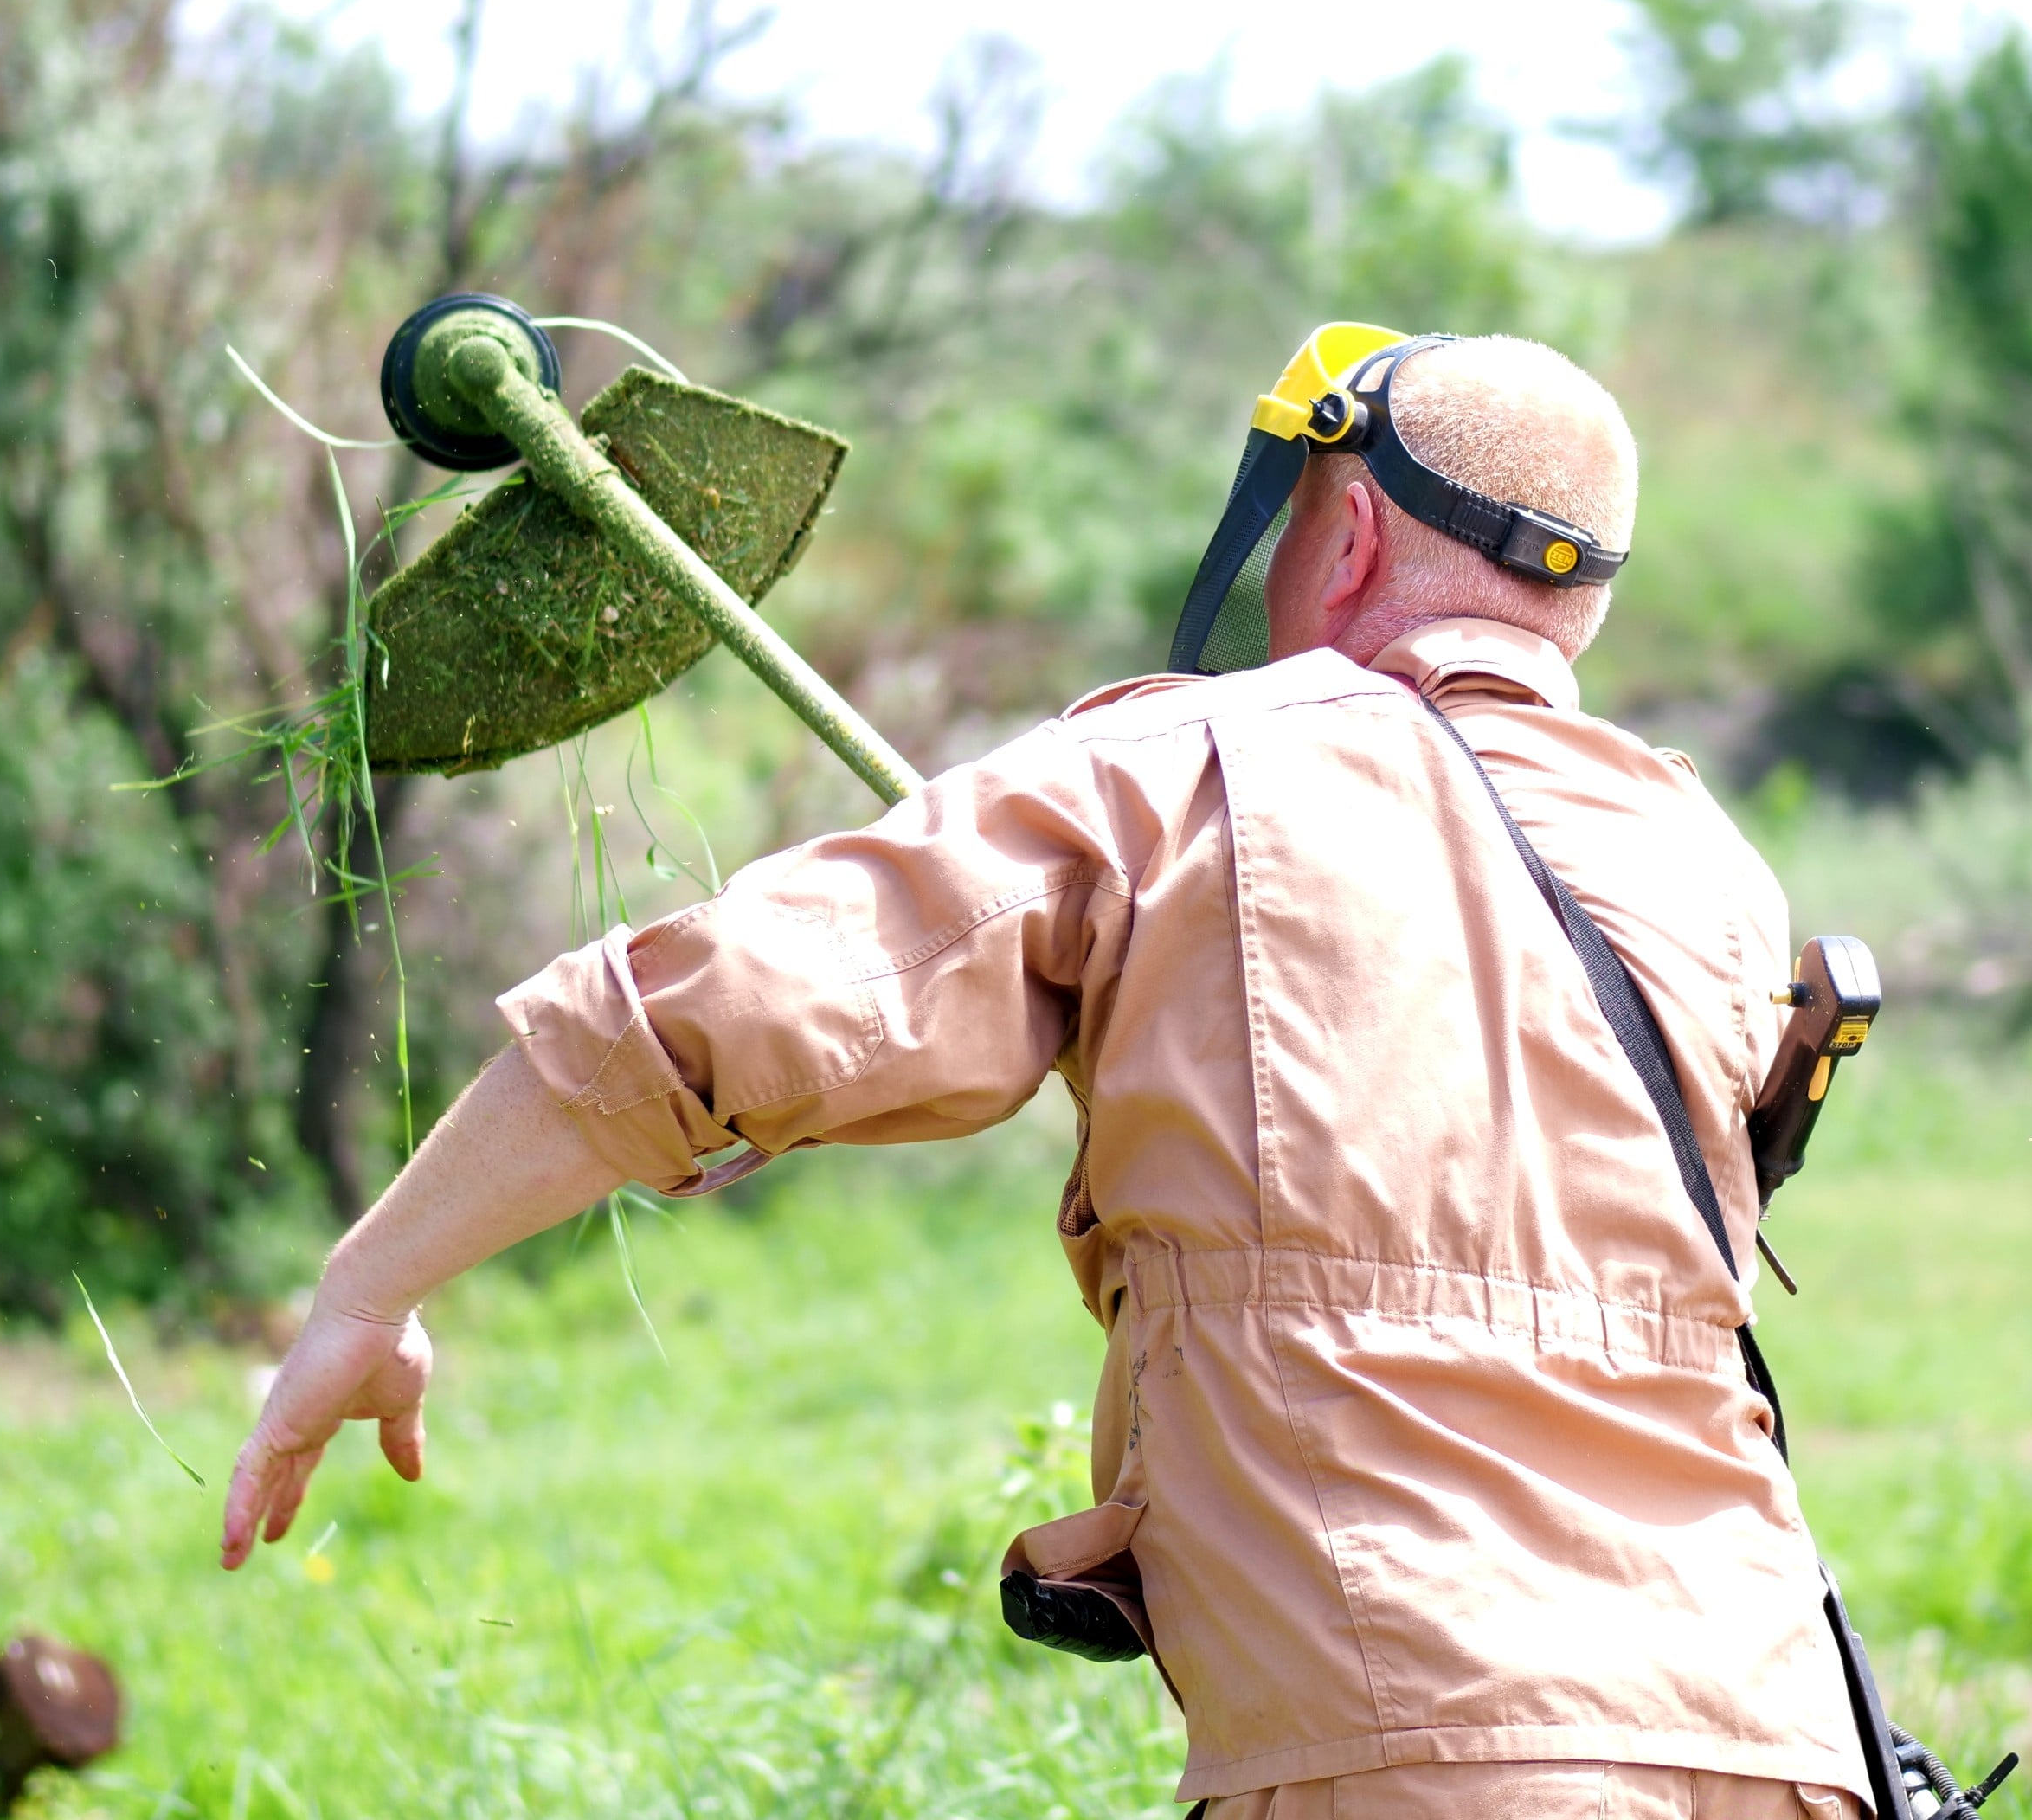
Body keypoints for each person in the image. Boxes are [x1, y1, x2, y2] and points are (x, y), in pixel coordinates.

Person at [222, 331, 1869, 1819]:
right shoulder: (1707, 862)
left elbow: (698, 1018)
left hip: (1410, 1745)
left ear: (1350, 534)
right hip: (1772, 1729)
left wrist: (372, 1287)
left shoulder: (1187, 767)